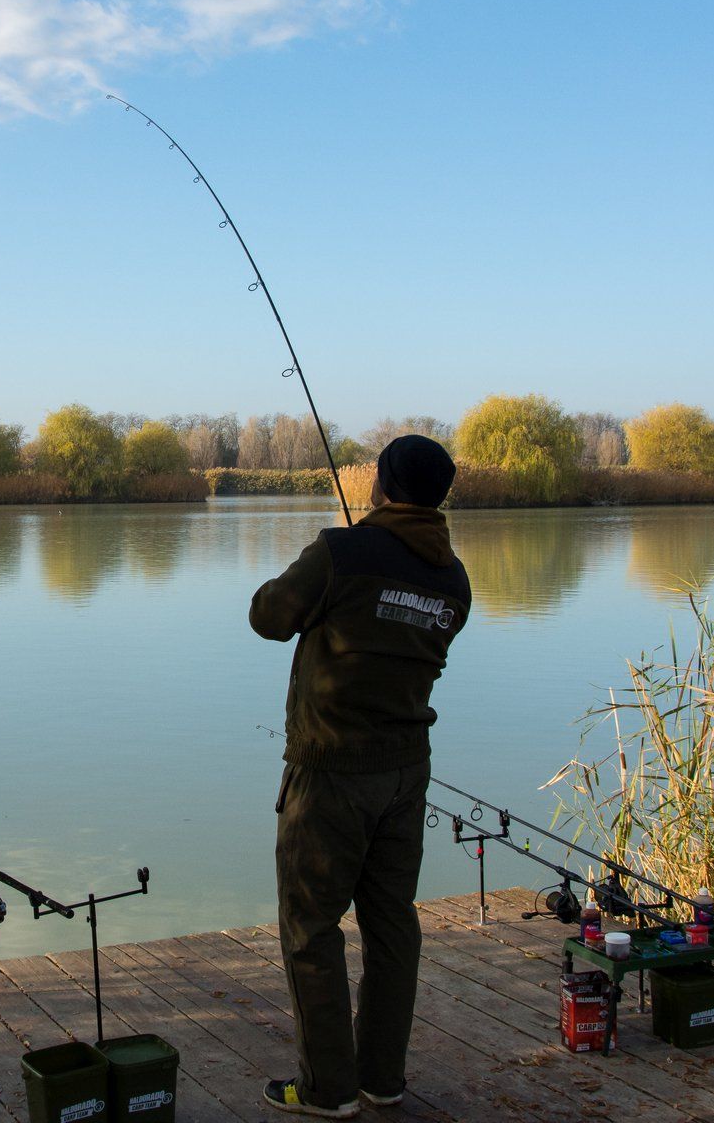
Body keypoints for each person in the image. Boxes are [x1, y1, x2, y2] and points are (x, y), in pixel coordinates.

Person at [249, 435, 471, 1118]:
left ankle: (328, 1089)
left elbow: (268, 617)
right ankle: (381, 1079)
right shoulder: (453, 580)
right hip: (406, 776)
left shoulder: (342, 552)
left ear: (381, 485)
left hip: (332, 771)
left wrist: (331, 571)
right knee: (392, 925)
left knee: (310, 929)